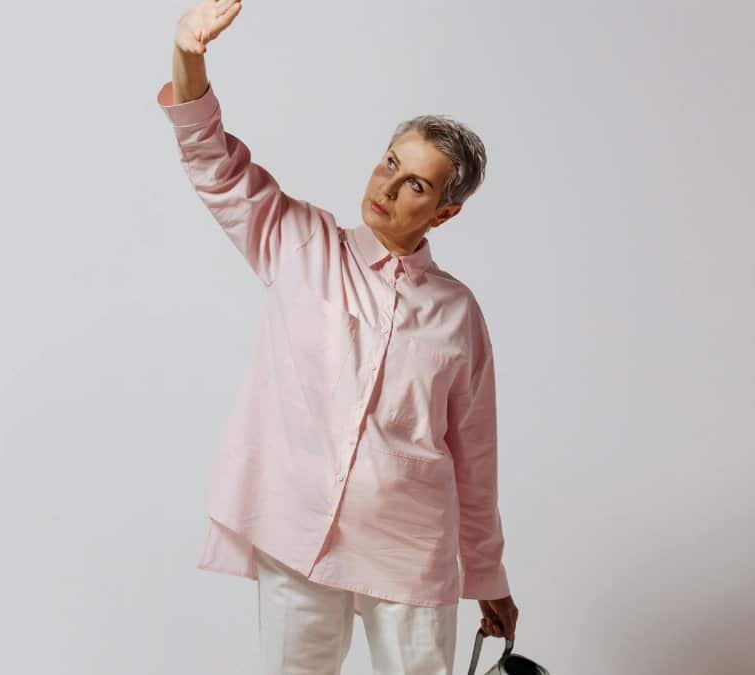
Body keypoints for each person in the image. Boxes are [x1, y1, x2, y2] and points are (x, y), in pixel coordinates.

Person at [155, 2, 519, 673]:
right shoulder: (299, 241)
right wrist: (188, 56)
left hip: (409, 549)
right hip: (297, 529)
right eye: (390, 161)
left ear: (445, 211)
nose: (387, 186)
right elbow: (213, 161)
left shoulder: (457, 313)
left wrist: (487, 574)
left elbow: (475, 455)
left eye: (415, 183)